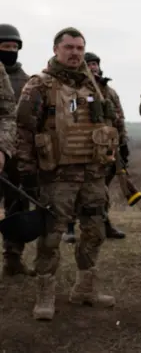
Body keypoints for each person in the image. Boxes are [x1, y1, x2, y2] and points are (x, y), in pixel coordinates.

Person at [16, 27, 118, 320]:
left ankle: (85, 288)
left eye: (80, 48)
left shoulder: (94, 87)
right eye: (69, 47)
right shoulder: (39, 86)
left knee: (95, 232)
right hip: (57, 176)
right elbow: (23, 130)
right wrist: (27, 172)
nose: (75, 53)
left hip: (92, 174)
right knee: (51, 237)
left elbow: (110, 125)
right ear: (56, 49)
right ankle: (45, 294)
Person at [63, 51, 127, 243]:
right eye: (89, 64)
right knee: (74, 190)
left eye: (95, 64)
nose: (93, 67)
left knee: (101, 191)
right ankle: (69, 227)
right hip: (81, 148)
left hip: (106, 148)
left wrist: (122, 144)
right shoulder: (73, 90)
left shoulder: (110, 92)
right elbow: (69, 116)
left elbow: (119, 118)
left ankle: (104, 223)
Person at [0, 23, 32, 277]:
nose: (10, 51)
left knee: (18, 207)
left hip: (18, 157)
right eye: (5, 47)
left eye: (14, 47)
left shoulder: (27, 81)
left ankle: (13, 257)